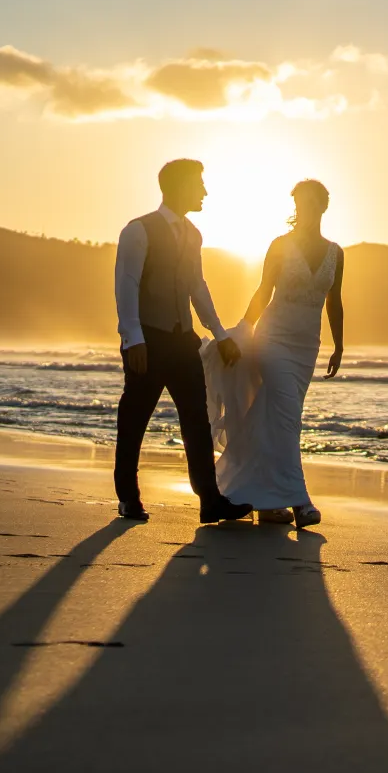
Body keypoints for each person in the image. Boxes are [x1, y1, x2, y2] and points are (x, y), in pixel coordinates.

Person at [111, 159, 254, 524]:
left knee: (196, 421)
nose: (204, 191)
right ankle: (128, 498)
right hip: (148, 340)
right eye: (199, 184)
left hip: (183, 341)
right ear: (177, 187)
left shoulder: (194, 234)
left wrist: (220, 334)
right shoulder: (138, 231)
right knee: (134, 420)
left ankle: (210, 500)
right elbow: (126, 284)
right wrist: (133, 338)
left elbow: (196, 286)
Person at [203, 179, 345, 529]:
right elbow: (264, 290)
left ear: (323, 207)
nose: (305, 210)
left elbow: (335, 301)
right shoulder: (281, 245)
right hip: (274, 338)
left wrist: (339, 345)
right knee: (287, 416)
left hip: (306, 346)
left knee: (274, 417)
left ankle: (265, 503)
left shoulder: (336, 252)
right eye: (300, 203)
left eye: (312, 204)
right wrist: (241, 330)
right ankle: (300, 502)